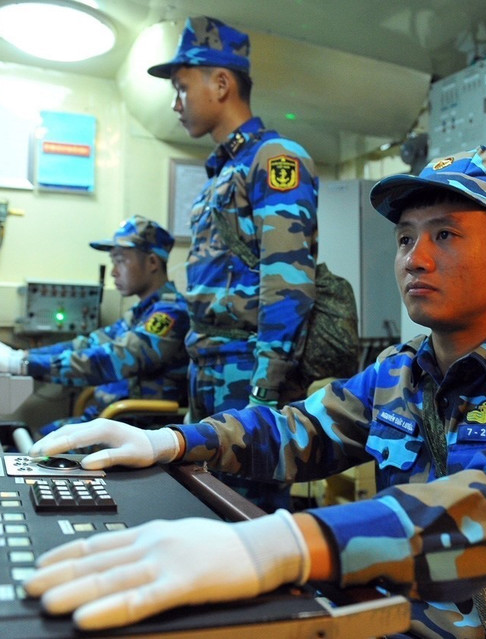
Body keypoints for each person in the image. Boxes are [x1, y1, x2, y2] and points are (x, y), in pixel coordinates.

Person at [23, 147, 486, 638]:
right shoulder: (395, 373)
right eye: (404, 238)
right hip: (386, 618)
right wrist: (173, 439)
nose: (415, 259)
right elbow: (298, 428)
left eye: (445, 235)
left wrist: (283, 545)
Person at [144, 16, 320, 510]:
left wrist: (265, 389)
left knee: (247, 519)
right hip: (212, 371)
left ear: (221, 83)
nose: (175, 102)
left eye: (181, 87)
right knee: (207, 506)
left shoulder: (273, 158)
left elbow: (287, 280)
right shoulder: (225, 173)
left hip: (248, 375)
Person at [0, 216, 189, 429]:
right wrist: (23, 356)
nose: (114, 271)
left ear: (152, 262)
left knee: (37, 444)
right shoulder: (142, 311)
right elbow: (88, 344)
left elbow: (115, 359)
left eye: (121, 261)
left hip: (140, 428)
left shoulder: (171, 313)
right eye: (113, 261)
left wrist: (22, 365)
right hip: (113, 419)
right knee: (34, 436)